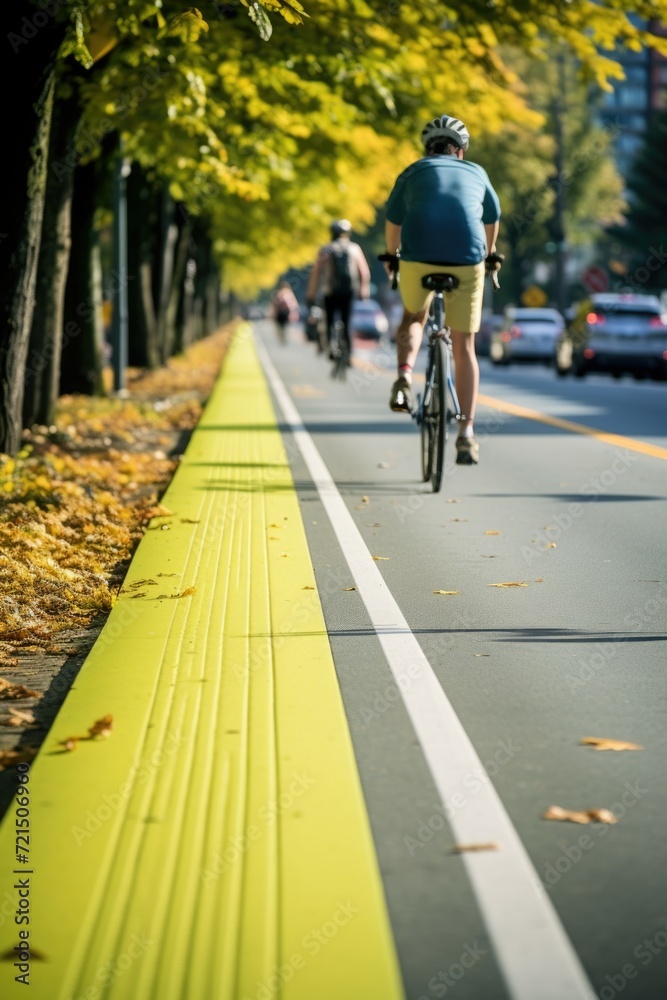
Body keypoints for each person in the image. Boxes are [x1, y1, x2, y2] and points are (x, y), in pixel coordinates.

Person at [383, 115, 501, 465]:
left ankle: (404, 376)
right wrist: (491, 256)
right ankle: (466, 433)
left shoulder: (412, 171)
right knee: (463, 345)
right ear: (461, 151)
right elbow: (491, 218)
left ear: (427, 149)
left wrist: (392, 259)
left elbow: (394, 220)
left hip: (418, 256)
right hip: (467, 257)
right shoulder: (477, 172)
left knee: (414, 317)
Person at [305, 219, 371, 362]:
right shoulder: (354, 249)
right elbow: (364, 272)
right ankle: (349, 354)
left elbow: (316, 274)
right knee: (347, 322)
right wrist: (364, 290)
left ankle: (330, 349)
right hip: (349, 290)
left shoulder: (326, 250)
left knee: (329, 320)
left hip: (330, 291)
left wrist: (311, 294)